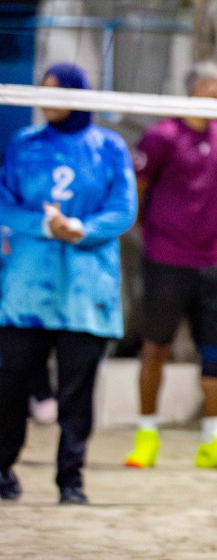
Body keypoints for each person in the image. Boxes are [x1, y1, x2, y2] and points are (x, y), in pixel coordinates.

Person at [0, 64, 137, 504]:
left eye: (57, 92)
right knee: (10, 383)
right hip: (27, 290)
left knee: (77, 391)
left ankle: (70, 480)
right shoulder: (24, 144)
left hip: (85, 291)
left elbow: (123, 209)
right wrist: (45, 224)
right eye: (43, 92)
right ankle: (2, 468)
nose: (47, 100)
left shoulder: (109, 147)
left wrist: (80, 227)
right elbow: (4, 202)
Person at [123, 60, 217, 471]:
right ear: (201, 87)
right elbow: (139, 192)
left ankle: (214, 440)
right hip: (167, 258)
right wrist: (156, 236)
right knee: (156, 347)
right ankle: (147, 435)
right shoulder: (163, 135)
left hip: (213, 261)